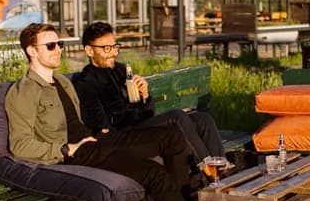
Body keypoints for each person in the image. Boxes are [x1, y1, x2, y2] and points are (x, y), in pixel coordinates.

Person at [4, 23, 208, 201]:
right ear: (31, 51)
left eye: (60, 44)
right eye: (51, 45)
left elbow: (82, 118)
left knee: (172, 137)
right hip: (77, 153)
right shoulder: (23, 92)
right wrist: (66, 149)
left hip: (95, 139)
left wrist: (100, 129)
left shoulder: (62, 81)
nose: (58, 50)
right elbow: (19, 145)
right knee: (153, 172)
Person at [72, 22, 224, 162]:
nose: (113, 53)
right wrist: (127, 112)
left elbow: (149, 112)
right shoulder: (86, 82)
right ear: (89, 50)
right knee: (177, 117)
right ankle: (208, 170)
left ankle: (222, 168)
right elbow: (100, 124)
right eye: (107, 48)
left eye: (115, 47)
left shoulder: (121, 70)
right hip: (123, 135)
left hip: (139, 125)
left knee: (203, 119)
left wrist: (145, 95)